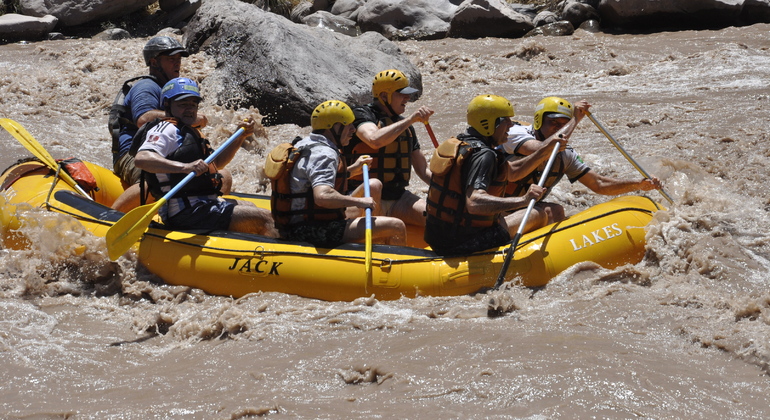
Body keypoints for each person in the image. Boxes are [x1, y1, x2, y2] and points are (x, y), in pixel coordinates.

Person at [424, 94, 567, 256]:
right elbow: (474, 203)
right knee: (543, 212)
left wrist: (544, 150)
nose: (510, 125)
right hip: (464, 242)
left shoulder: (464, 143)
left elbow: (511, 173)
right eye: (505, 120)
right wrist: (523, 200)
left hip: (439, 237)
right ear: (489, 124)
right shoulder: (484, 156)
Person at [133, 77, 277, 237]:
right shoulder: (166, 130)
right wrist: (185, 168)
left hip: (203, 204)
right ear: (167, 105)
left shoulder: (189, 130)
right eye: (182, 104)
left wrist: (239, 137)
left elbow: (217, 164)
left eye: (193, 104)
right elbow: (142, 158)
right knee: (266, 219)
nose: (189, 109)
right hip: (186, 213)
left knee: (250, 205)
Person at [501, 96, 662, 231]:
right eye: (554, 123)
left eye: (564, 124)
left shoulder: (566, 155)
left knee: (556, 211)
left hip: (522, 212)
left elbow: (598, 184)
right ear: (538, 121)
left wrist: (638, 184)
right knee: (541, 213)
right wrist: (575, 120)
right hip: (494, 210)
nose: (559, 128)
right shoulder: (514, 133)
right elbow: (540, 149)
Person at [270, 100, 406, 248]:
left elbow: (315, 181)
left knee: (374, 185)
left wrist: (353, 169)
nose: (353, 130)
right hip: (311, 228)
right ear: (334, 127)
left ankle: (372, 240)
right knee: (396, 226)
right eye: (348, 125)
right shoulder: (325, 154)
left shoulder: (305, 143)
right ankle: (393, 262)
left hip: (297, 222)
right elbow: (322, 197)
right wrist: (359, 202)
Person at [109, 36, 218, 212]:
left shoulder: (170, 88)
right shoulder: (146, 86)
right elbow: (144, 119)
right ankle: (111, 216)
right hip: (132, 153)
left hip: (164, 149)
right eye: (171, 59)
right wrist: (187, 118)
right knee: (157, 179)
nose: (177, 64)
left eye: (179, 59)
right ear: (154, 62)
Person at [343, 69, 433, 227]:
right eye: (402, 94)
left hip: (398, 197)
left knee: (435, 218)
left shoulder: (405, 127)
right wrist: (411, 120)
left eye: (408, 93)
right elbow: (374, 140)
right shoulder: (361, 114)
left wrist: (451, 190)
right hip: (365, 196)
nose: (408, 98)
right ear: (384, 96)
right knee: (374, 187)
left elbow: (423, 170)